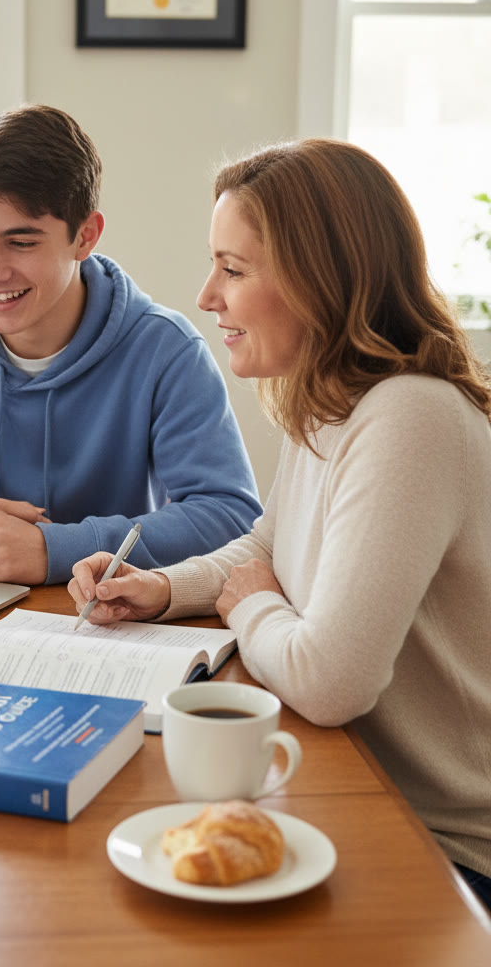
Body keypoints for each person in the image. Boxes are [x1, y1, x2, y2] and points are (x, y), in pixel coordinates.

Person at [68, 138, 491, 912]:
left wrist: (251, 604)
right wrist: (160, 588)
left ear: (318, 279)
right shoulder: (336, 401)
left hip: (452, 853)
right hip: (372, 794)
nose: (206, 295)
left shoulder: (409, 417)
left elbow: (330, 683)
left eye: (233, 269)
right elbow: (269, 547)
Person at [0, 104, 261, 585]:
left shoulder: (166, 351)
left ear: (85, 237)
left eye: (21, 242)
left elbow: (228, 515)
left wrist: (55, 549)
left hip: (102, 623)